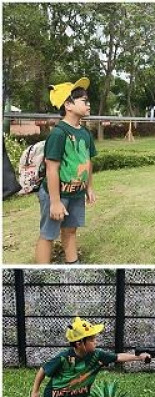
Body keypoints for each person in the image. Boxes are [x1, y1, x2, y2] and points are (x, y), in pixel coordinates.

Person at [35, 77, 97, 264]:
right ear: (68, 105)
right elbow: (52, 169)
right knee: (48, 234)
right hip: (57, 195)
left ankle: (73, 265)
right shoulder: (59, 133)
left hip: (76, 193)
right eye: (84, 101)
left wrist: (88, 187)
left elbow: (88, 162)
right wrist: (54, 202)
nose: (88, 105)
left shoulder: (85, 133)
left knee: (70, 230)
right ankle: (40, 273)